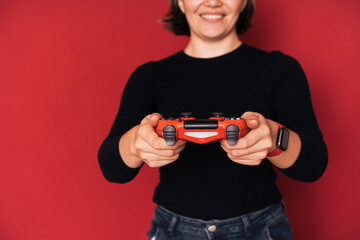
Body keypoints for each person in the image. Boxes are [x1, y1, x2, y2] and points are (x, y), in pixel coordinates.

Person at [98, 0, 328, 239]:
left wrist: (273, 139)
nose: (213, 2)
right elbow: (112, 168)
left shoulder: (280, 69)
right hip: (172, 230)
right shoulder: (148, 77)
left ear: (245, 2)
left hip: (261, 229)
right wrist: (136, 144)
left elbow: (313, 165)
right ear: (180, 2)